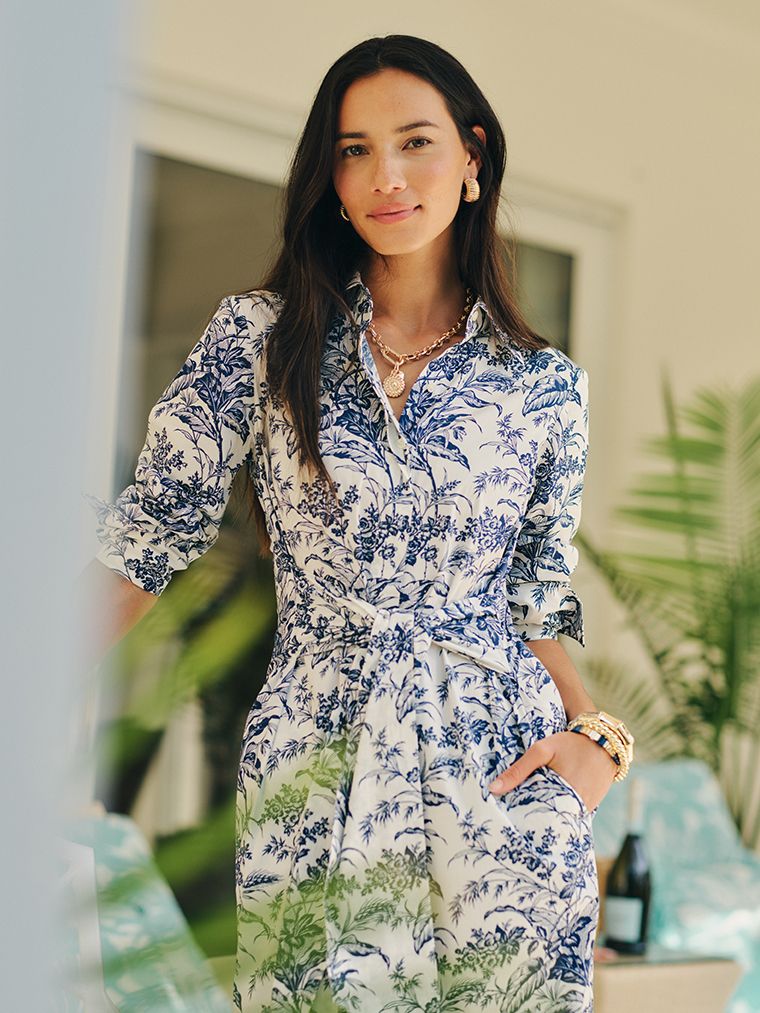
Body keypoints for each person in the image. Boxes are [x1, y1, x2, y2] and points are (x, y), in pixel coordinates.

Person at [82, 34, 635, 1013]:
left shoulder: (543, 387)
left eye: (414, 141)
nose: (384, 174)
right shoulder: (258, 339)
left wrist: (598, 740)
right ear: (327, 180)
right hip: (318, 755)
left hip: (502, 778)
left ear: (470, 160)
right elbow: (143, 542)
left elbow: (538, 600)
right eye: (352, 150)